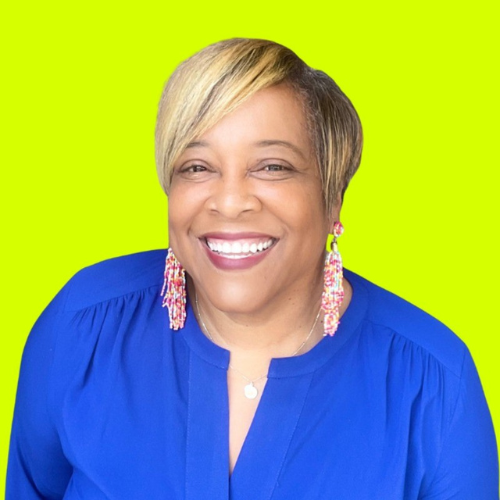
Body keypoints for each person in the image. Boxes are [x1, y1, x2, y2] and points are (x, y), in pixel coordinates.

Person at [7, 38, 498, 499]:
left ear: (333, 195)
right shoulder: (83, 327)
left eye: (272, 167)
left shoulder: (434, 387)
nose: (229, 201)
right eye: (197, 167)